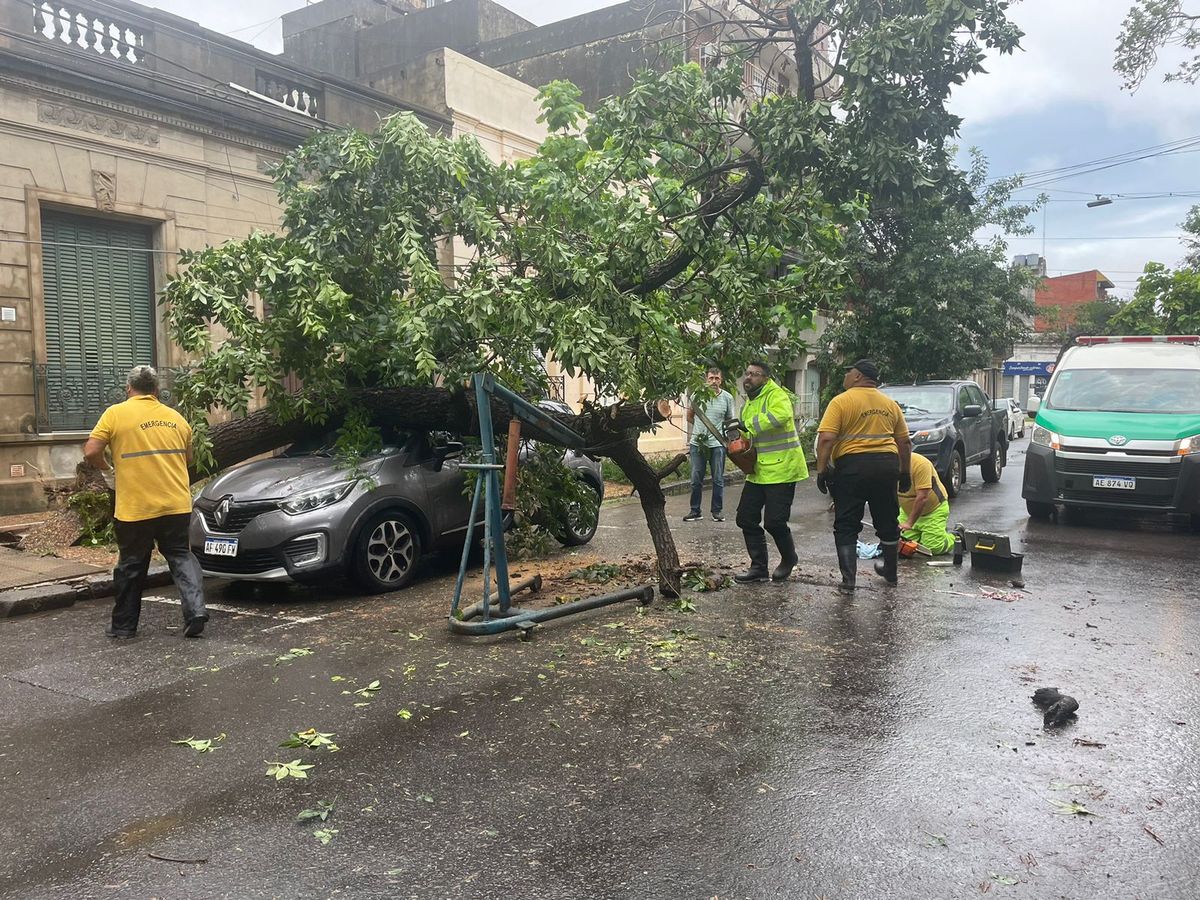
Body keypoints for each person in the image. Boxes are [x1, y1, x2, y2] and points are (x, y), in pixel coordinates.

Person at [84, 366, 207, 638]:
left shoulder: (116, 413)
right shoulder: (177, 418)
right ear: (155, 390)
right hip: (175, 503)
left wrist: (108, 471)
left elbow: (91, 450)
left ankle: (124, 626)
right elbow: (188, 459)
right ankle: (196, 611)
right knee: (180, 555)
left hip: (136, 507)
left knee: (132, 563)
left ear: (129, 388)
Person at [814, 359, 912, 591]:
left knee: (846, 523)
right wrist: (904, 472)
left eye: (848, 372)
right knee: (887, 520)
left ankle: (849, 581)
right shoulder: (890, 404)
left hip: (852, 467)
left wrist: (822, 470)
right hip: (886, 466)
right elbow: (905, 442)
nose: (845, 376)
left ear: (858, 376)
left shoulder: (841, 401)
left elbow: (826, 439)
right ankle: (891, 573)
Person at [733, 360, 808, 583]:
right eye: (747, 373)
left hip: (783, 469)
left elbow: (780, 416)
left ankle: (789, 558)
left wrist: (747, 425)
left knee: (774, 522)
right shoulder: (750, 402)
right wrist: (736, 440)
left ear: (766, 378)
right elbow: (749, 434)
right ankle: (758, 568)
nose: (748, 377)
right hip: (758, 471)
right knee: (745, 518)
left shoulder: (777, 395)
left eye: (754, 374)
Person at [684, 366, 734, 522]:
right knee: (695, 479)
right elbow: (689, 416)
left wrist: (728, 440)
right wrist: (700, 430)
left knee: (718, 479)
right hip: (698, 443)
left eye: (717, 378)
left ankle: (717, 511)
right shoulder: (697, 395)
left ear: (721, 380)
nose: (714, 381)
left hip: (718, 444)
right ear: (706, 379)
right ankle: (695, 511)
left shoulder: (727, 398)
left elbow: (729, 420)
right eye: (711, 378)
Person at [898, 453, 955, 555]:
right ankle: (931, 534)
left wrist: (909, 523)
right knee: (902, 545)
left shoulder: (920, 464)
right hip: (907, 512)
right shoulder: (886, 466)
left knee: (933, 547)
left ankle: (956, 537)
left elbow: (922, 498)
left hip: (933, 510)